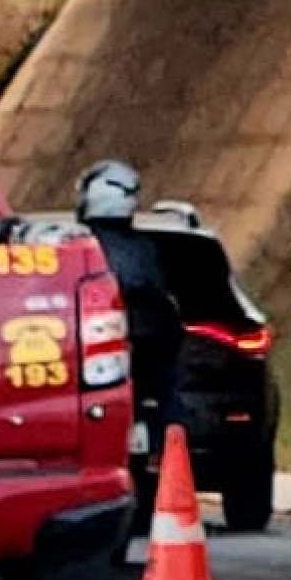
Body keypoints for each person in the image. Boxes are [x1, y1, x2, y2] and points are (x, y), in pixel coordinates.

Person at [76, 159, 183, 441]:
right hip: (149, 343)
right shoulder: (145, 249)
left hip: (106, 351)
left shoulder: (79, 249)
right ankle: (168, 441)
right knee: (169, 393)